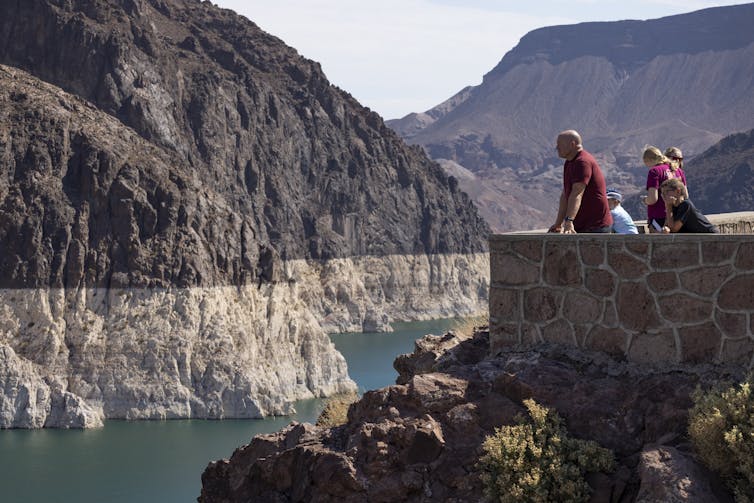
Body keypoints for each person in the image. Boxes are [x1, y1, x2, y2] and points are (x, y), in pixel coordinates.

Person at [548, 130, 612, 233]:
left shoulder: (582, 162)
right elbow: (566, 195)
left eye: (560, 145)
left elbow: (577, 193)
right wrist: (558, 224)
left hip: (595, 226)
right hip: (582, 225)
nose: (557, 148)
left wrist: (569, 221)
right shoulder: (569, 162)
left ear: (572, 144)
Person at [640, 146, 687, 232]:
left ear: (648, 160)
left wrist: (645, 200)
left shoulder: (654, 171)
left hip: (659, 215)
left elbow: (653, 199)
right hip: (678, 217)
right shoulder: (677, 170)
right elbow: (685, 195)